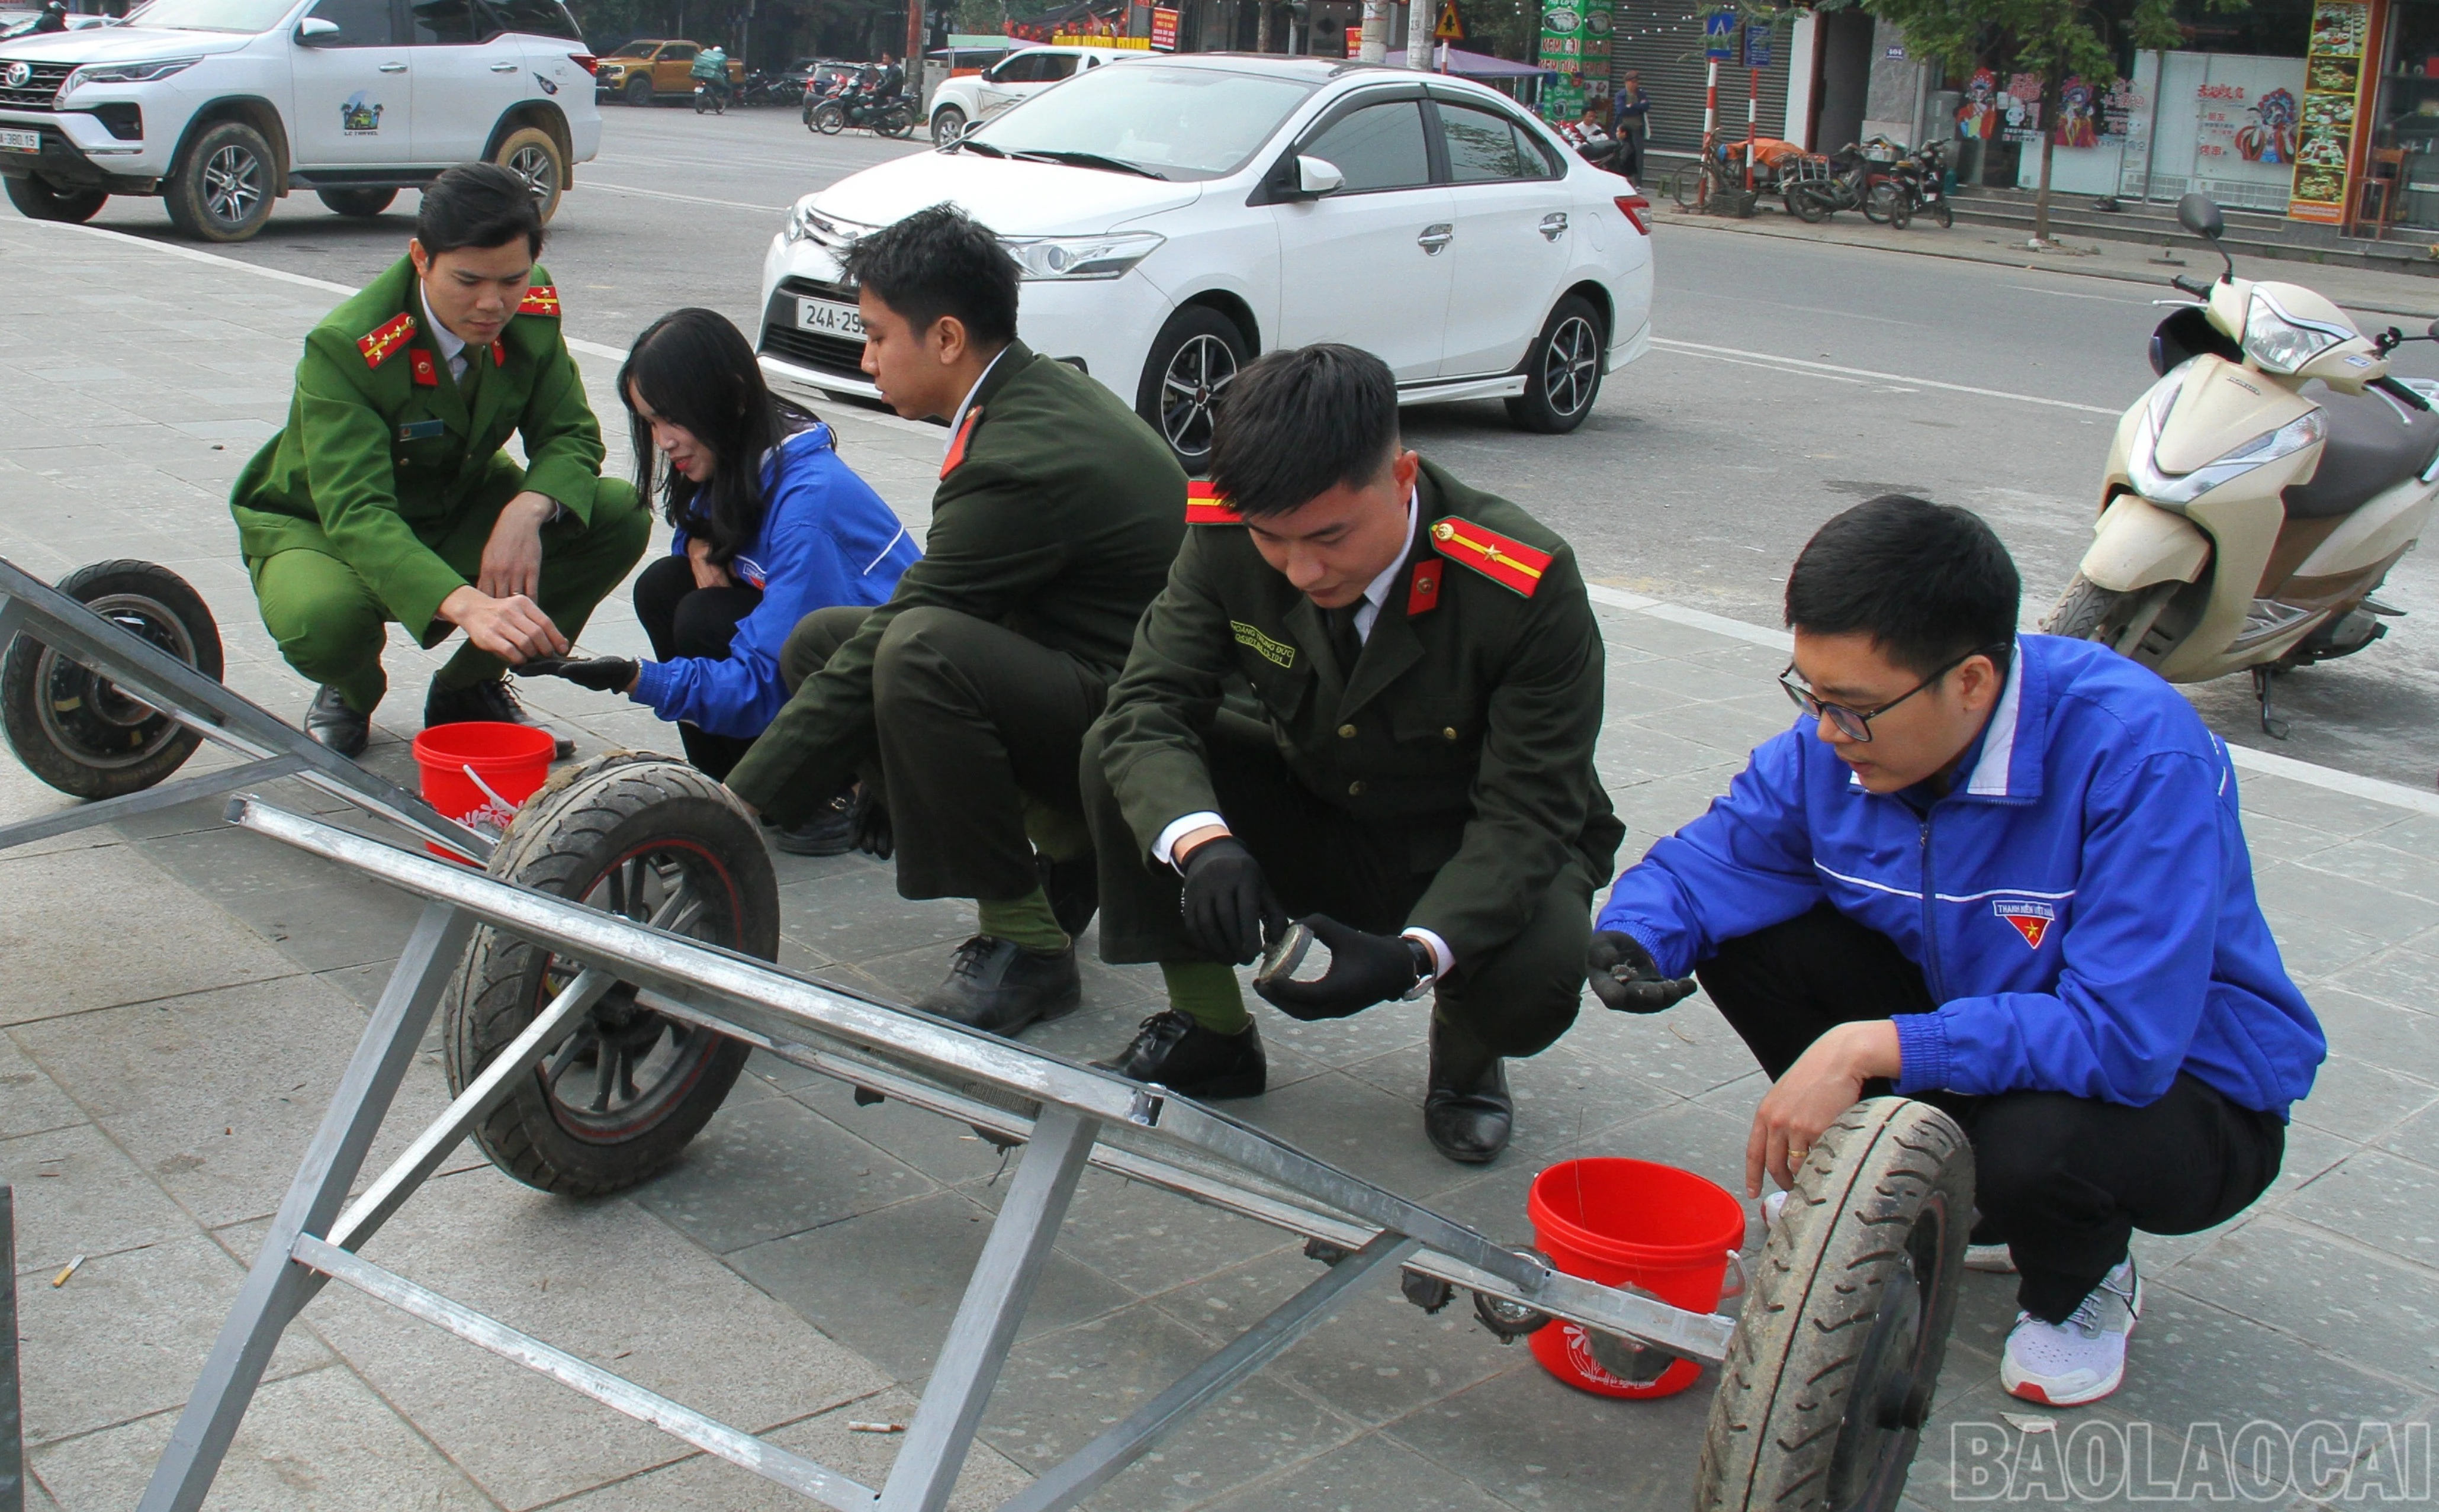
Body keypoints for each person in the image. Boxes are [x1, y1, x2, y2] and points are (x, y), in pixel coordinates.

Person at [1589, 496, 2324, 1408]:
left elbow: (2125, 1038)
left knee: (2035, 1143)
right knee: (1744, 938)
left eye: (1851, 708)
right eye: (1808, 695)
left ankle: (2078, 1280)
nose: (1825, 732)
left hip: (2183, 1089)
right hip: (1985, 1019)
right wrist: (1635, 931)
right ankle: (1934, 1193)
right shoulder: (1843, 737)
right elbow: (1722, 857)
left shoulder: (2135, 754)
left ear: (1971, 681)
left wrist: (1869, 1044)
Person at [1084, 345, 1619, 1166]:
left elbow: (1527, 813)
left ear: (1401, 477)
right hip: (1319, 798)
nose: (1301, 569)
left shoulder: (1519, 582)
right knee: (1121, 763)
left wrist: (1414, 956)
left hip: (1461, 839)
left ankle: (1468, 1051)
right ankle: (1211, 1027)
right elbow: (1149, 703)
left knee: (1534, 979)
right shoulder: (1226, 533)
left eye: (1329, 536)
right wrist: (1204, 844)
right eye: (1273, 539)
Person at [722, 204, 1187, 1030]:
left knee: (915, 651)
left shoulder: (1015, 457)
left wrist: (738, 803)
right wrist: (877, 769)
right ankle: (1066, 861)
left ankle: (1028, 944)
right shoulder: (1028, 395)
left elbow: (919, 618)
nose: (863, 359)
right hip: (1080, 674)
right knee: (822, 641)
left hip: (1142, 723)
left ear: (944, 337)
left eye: (874, 336)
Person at [230, 163, 647, 760]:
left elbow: (570, 433)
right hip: (322, 526)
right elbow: (357, 509)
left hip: (455, 501)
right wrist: (466, 602)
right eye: (468, 280)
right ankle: (351, 690)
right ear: (421, 257)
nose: (492, 303)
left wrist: (526, 513)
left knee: (615, 513)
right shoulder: (349, 346)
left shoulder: (531, 306)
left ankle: (469, 687)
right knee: (321, 618)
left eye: (513, 279)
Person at [518, 310, 918, 840]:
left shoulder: (809, 501)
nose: (662, 441)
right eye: (650, 423)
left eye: (671, 419)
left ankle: (823, 797)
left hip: (878, 712)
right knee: (665, 586)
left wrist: (634, 678)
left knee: (703, 616)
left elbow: (766, 683)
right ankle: (726, 793)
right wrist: (700, 547)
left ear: (729, 396)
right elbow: (705, 531)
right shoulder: (741, 450)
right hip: (811, 675)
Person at [1609, 70, 1651, 181]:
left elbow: (1646, 107)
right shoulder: (1621, 95)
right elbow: (1622, 111)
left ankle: (1637, 183)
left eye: (1637, 82)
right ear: (1627, 82)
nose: (1635, 84)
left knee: (1638, 156)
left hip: (1638, 129)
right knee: (1624, 154)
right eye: (1633, 82)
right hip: (1624, 131)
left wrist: (1632, 106)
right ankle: (1621, 179)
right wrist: (1637, 108)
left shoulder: (1641, 94)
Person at [690, 43, 731, 108]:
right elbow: (725, 72)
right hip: (711, 78)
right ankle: (721, 101)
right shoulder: (720, 61)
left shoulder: (706, 58)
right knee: (726, 88)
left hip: (702, 77)